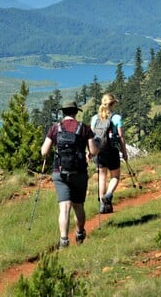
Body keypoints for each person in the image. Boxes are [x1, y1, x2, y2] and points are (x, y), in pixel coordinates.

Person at [40, 100, 98, 249]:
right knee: (78, 206)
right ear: (76, 112)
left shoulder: (55, 129)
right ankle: (79, 233)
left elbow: (44, 151)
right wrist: (89, 155)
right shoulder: (84, 129)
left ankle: (64, 240)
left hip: (60, 173)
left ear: (63, 112)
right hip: (79, 173)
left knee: (64, 208)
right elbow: (92, 151)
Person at [90, 93, 128, 214]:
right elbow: (121, 136)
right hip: (112, 150)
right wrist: (124, 151)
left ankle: (102, 205)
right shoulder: (116, 118)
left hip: (99, 151)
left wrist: (91, 152)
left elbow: (92, 136)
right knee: (115, 176)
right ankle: (109, 195)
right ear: (112, 104)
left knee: (102, 177)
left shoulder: (95, 118)